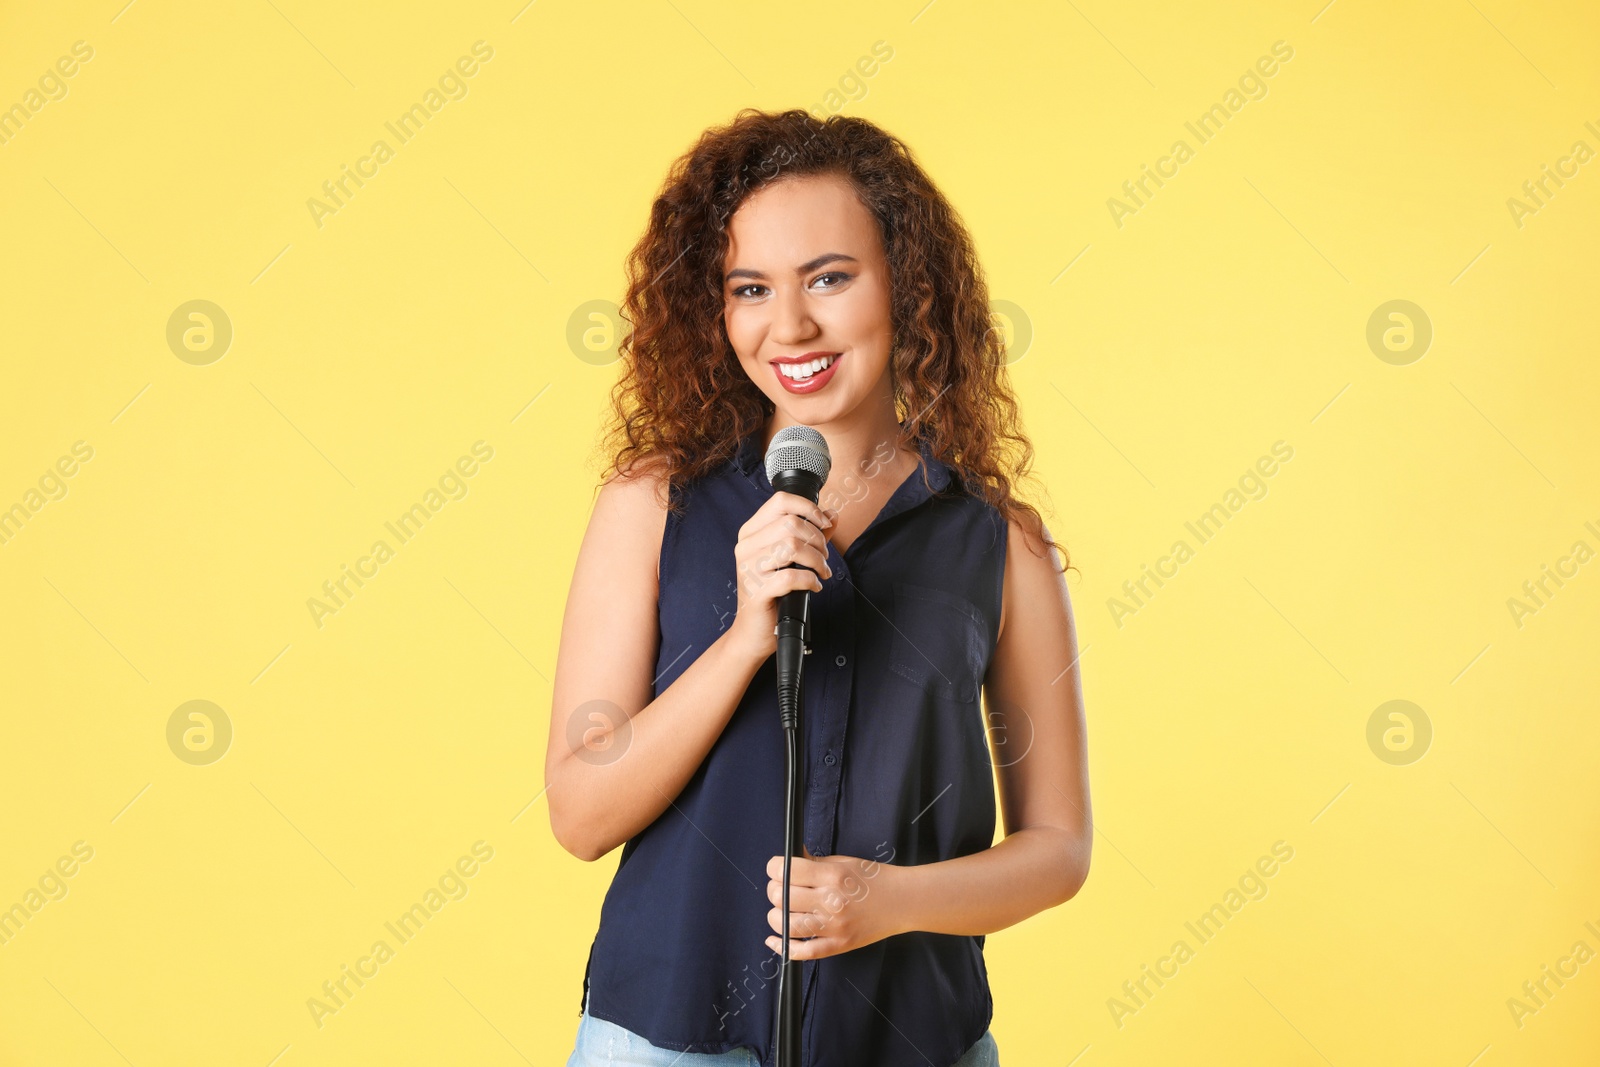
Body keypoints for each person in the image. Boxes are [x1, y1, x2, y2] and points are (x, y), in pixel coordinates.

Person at [548, 107, 1091, 1067]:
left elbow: (1058, 848)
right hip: (667, 1039)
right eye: (749, 288)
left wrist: (889, 902)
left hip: (912, 1039)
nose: (790, 325)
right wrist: (743, 637)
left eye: (829, 278)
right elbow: (579, 813)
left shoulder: (999, 545)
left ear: (907, 287)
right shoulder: (651, 505)